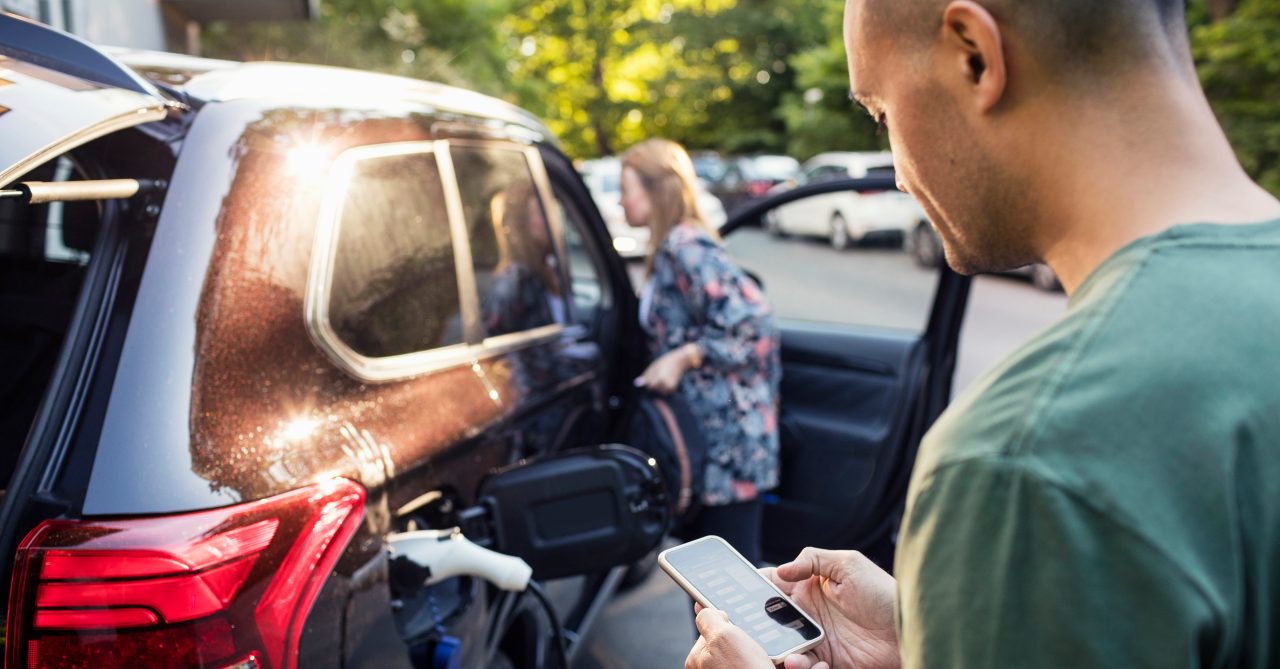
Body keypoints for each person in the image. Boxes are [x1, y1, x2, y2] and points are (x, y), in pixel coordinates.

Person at [687, 0, 1280, 667]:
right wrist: (929, 634)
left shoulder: (1025, 455)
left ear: (975, 55)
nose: (899, 171)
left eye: (881, 110)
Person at [621, 138, 781, 567]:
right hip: (704, 447)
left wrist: (684, 357)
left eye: (627, 189)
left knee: (730, 587)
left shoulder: (686, 246)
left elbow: (755, 326)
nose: (620, 201)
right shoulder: (670, 248)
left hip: (726, 449)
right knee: (708, 583)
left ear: (656, 191)